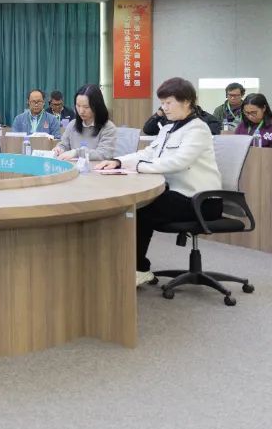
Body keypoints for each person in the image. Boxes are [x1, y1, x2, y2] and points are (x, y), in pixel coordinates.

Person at [94, 78, 222, 287]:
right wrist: (119, 161)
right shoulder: (169, 128)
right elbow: (148, 153)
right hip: (177, 193)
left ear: (187, 101)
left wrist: (139, 167)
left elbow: (179, 162)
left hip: (201, 200)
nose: (164, 108)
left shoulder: (198, 129)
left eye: (168, 103)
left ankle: (139, 269)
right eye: (162, 103)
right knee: (138, 207)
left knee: (142, 210)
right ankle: (131, 266)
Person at [53, 85, 118, 161]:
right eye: (78, 106)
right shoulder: (72, 125)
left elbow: (104, 154)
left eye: (86, 107)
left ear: (97, 106)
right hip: (74, 167)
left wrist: (77, 153)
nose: (81, 111)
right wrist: (59, 149)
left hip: (96, 168)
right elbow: (64, 145)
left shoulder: (108, 127)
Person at [143, 103, 222, 136]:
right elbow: (148, 130)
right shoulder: (170, 119)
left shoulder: (207, 118)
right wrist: (159, 113)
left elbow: (215, 134)